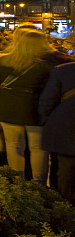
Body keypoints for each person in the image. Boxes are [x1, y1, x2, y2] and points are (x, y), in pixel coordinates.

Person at [0, 28, 61, 185]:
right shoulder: (48, 66)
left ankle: (18, 181)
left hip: (8, 109)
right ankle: (39, 183)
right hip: (35, 111)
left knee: (13, 145)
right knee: (38, 148)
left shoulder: (1, 61)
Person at [39, 61, 75, 201]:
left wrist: (47, 121)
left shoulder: (63, 70)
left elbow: (47, 101)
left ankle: (64, 205)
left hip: (66, 127)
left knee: (64, 169)